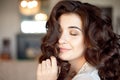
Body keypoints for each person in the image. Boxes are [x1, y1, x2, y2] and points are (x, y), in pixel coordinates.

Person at [37, 0, 120, 80]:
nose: (61, 40)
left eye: (73, 33)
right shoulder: (70, 72)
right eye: (59, 32)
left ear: (91, 39)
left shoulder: (86, 78)